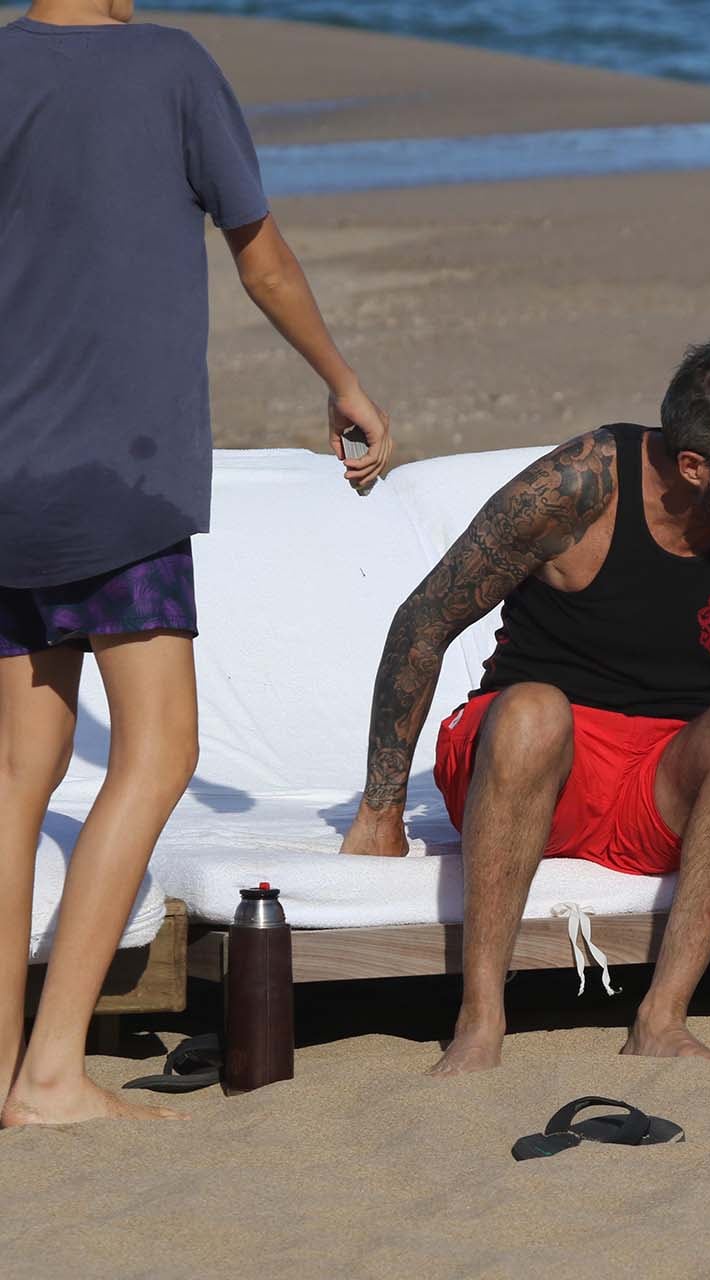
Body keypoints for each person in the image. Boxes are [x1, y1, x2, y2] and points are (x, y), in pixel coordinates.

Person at [1, 1, 393, 1127]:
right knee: (161, 746)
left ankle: (4, 1070)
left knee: (16, 771)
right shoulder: (171, 64)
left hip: (6, 467)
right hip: (117, 470)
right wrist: (341, 377)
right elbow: (259, 254)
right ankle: (52, 1072)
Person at [340, 336, 710, 1074]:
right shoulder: (579, 489)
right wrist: (382, 810)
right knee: (535, 711)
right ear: (695, 466)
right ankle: (481, 1022)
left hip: (668, 785)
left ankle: (662, 1020)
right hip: (533, 766)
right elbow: (424, 623)